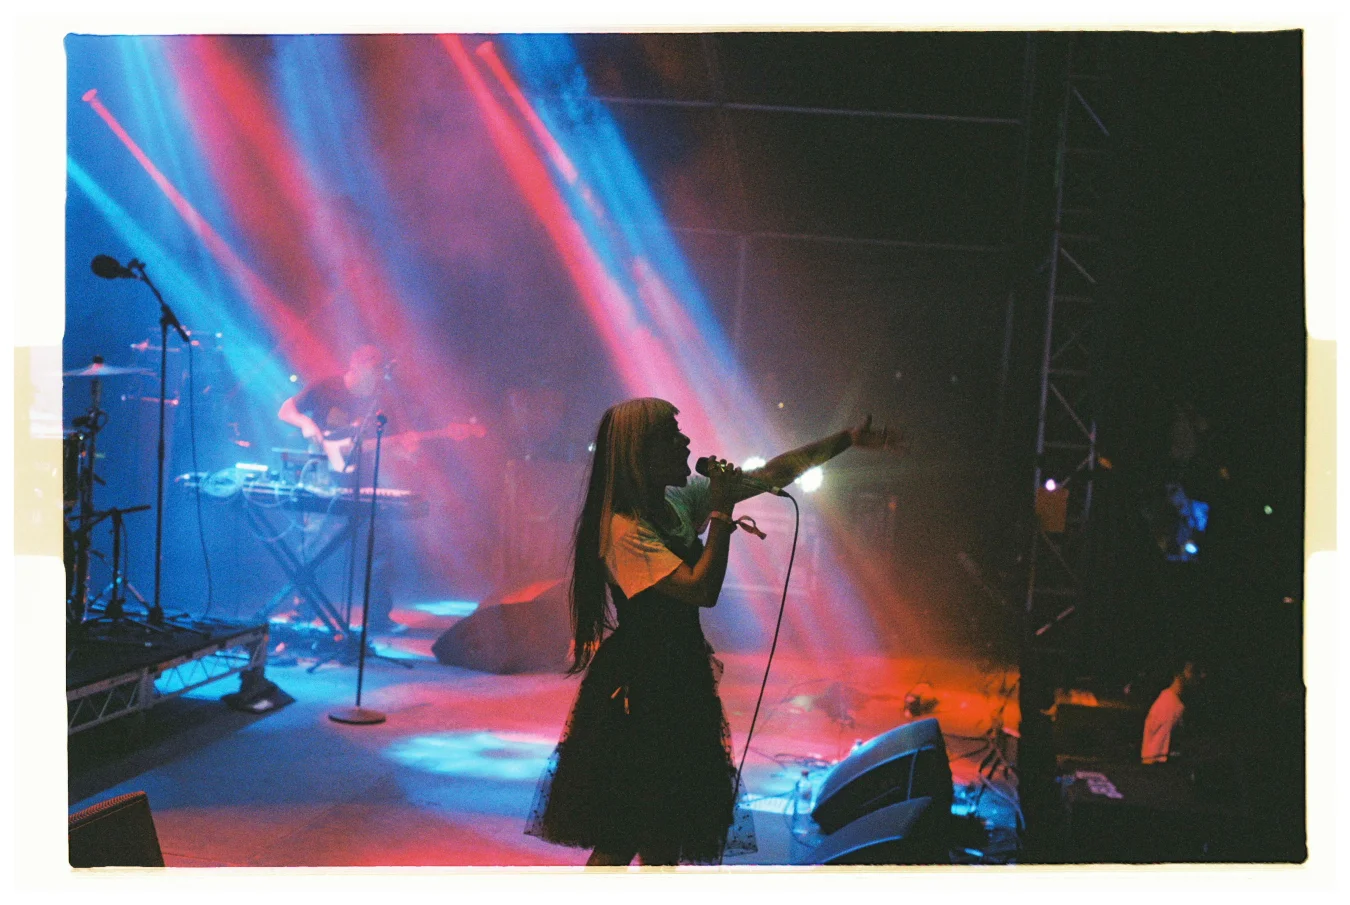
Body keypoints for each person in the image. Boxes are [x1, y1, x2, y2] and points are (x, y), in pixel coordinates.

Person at [524, 398, 897, 867]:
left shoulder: (675, 503)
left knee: (665, 834)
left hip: (680, 678)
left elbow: (773, 474)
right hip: (639, 690)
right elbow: (701, 589)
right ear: (643, 453)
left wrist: (845, 440)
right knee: (624, 833)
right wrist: (720, 513)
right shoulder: (624, 529)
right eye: (671, 435)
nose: (685, 441)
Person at [277, 344, 408, 633]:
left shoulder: (381, 401)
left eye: (379, 371)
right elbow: (286, 410)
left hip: (363, 481)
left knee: (378, 547)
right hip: (323, 478)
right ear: (357, 366)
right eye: (373, 370)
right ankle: (302, 612)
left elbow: (388, 442)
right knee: (314, 546)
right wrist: (306, 423)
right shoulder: (327, 387)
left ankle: (378, 618)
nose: (377, 378)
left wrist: (405, 450)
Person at [1141, 660, 1205, 764]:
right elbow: (1157, 754)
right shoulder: (1169, 705)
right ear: (1178, 675)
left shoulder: (1171, 701)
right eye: (1194, 671)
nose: (1202, 676)